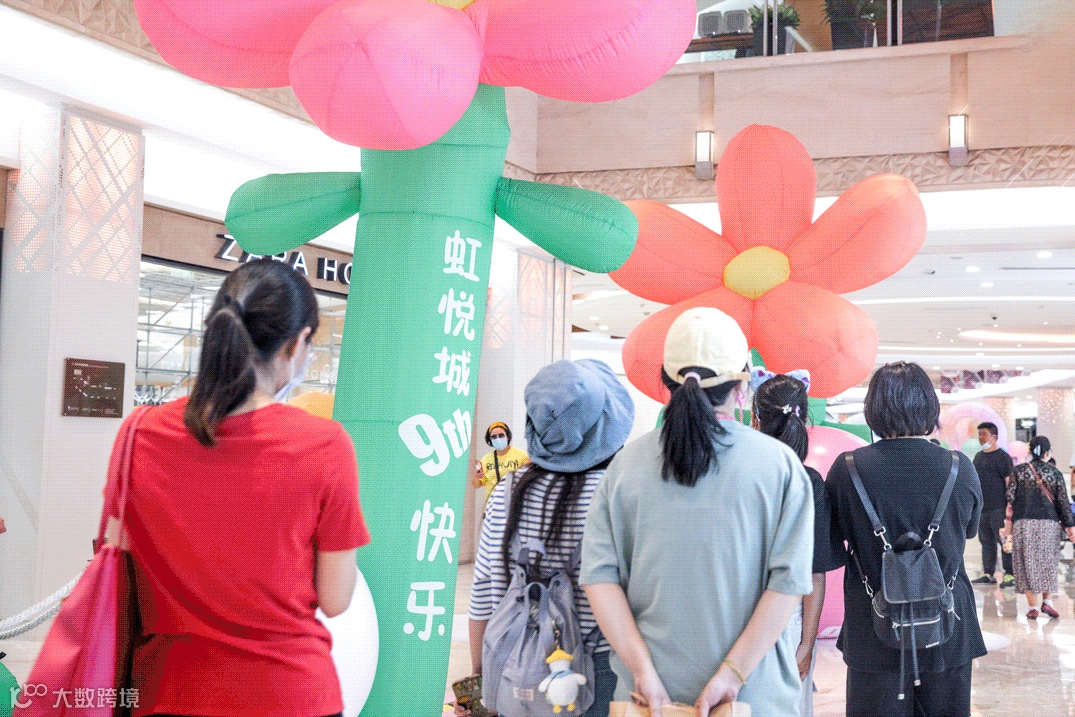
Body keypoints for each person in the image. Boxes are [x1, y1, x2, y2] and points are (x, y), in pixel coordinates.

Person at [102, 260, 370, 717]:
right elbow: (336, 599)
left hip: (165, 692)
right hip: (289, 695)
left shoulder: (139, 433)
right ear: (297, 343)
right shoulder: (324, 444)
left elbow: (117, 558)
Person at [581, 307, 814, 717]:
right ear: (742, 386)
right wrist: (732, 674)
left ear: (667, 384)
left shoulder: (625, 466)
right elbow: (788, 584)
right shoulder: (781, 466)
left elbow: (599, 579)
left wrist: (642, 672)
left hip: (648, 701)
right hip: (752, 698)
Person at [462, 359, 634, 717]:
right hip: (600, 671)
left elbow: (482, 595)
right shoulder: (617, 494)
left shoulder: (506, 492)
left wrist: (481, 677)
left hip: (514, 666)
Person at [826, 362, 985, 717]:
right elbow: (969, 531)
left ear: (873, 408)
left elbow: (833, 551)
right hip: (947, 621)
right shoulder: (960, 467)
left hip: (873, 625)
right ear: (929, 407)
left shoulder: (847, 468)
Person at [751, 372, 844, 717]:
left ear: (755, 419)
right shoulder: (809, 482)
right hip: (788, 620)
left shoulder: (735, 475)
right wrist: (806, 643)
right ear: (804, 420)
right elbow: (814, 572)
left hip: (735, 615)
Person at [1004, 435, 1075, 619]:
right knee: (1048, 562)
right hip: (1049, 524)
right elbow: (1062, 502)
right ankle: (1047, 603)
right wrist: (1070, 526)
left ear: (1030, 451)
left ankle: (1032, 607)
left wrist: (1008, 526)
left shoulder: (1019, 471)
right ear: (1047, 452)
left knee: (1027, 563)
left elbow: (1010, 498)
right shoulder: (1055, 473)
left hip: (1023, 523)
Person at [972, 422, 1016, 587]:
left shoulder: (1003, 458)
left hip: (999, 508)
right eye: (979, 434)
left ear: (994, 437)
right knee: (986, 542)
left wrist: (1009, 507)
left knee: (1004, 542)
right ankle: (988, 573)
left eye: (984, 434)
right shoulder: (978, 457)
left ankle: (1009, 574)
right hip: (982, 509)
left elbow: (1009, 483)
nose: (980, 437)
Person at [473, 421, 529, 511]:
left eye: (501, 435)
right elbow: (477, 485)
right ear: (490, 440)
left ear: (508, 436)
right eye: (494, 437)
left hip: (514, 507)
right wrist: (476, 477)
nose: (498, 439)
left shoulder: (521, 456)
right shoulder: (486, 459)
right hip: (492, 507)